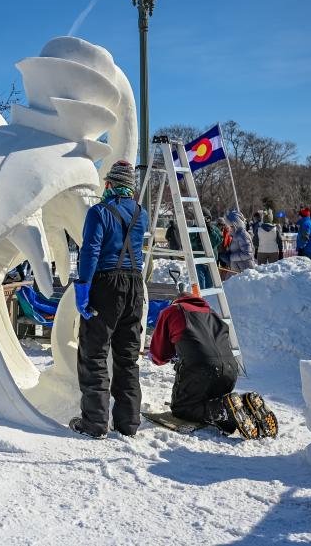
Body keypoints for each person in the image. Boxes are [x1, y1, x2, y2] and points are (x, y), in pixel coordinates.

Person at [70, 160, 148, 438]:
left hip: (105, 284)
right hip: (134, 285)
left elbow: (90, 252)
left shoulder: (98, 212)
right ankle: (128, 423)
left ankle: (94, 423)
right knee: (127, 357)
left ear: (110, 184)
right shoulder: (142, 213)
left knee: (94, 354)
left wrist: (83, 286)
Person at [149, 282, 277, 439]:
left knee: (182, 409)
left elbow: (159, 356)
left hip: (200, 369)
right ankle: (246, 404)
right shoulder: (212, 313)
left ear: (177, 301)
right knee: (217, 403)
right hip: (230, 369)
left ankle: (223, 408)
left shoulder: (172, 311)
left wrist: (158, 355)